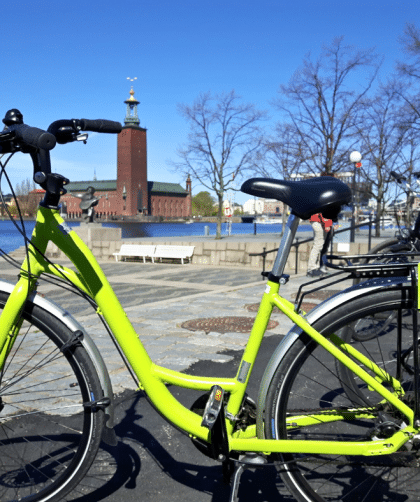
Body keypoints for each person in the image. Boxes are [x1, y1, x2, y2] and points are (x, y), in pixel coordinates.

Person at [307, 213, 333, 277]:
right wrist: (327, 224)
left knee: (319, 245)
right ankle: (312, 268)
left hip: (317, 220)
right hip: (318, 221)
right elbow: (325, 209)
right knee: (318, 245)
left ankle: (315, 267)